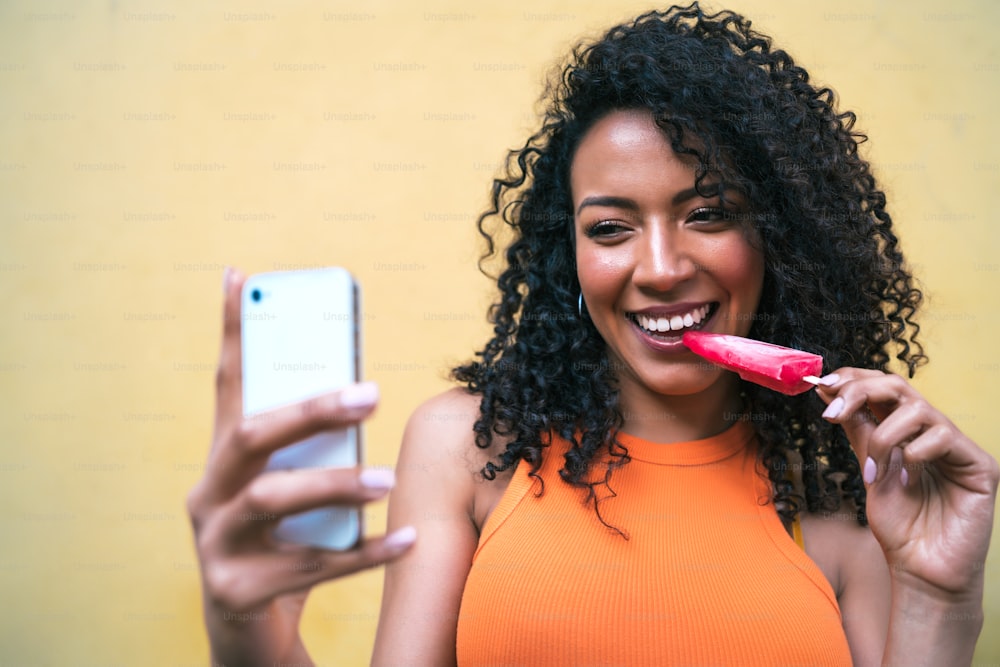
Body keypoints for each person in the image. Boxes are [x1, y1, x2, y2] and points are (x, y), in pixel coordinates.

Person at [189, 4, 999, 666]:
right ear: (568, 255)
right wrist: (246, 632)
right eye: (610, 227)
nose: (659, 267)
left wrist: (941, 598)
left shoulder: (845, 504)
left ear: (778, 238)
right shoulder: (466, 449)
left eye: (707, 214)